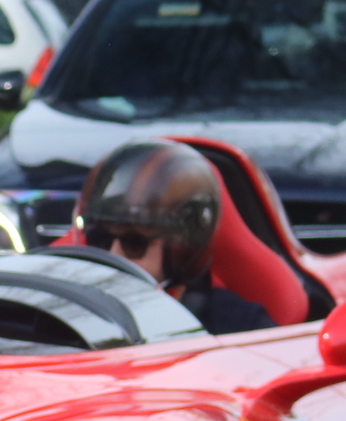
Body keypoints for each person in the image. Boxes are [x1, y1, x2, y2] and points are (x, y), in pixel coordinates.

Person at [74, 139, 270, 335]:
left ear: (181, 249)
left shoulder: (238, 327)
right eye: (101, 240)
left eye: (134, 244)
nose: (113, 256)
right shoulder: (69, 311)